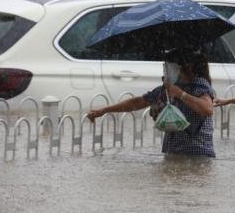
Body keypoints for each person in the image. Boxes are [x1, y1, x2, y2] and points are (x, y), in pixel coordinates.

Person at [87, 49, 216, 157]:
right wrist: (104, 110)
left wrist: (180, 94)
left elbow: (207, 109)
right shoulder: (168, 88)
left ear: (184, 67)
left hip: (197, 154)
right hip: (174, 152)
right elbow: (138, 102)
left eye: (170, 66)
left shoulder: (199, 85)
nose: (167, 70)